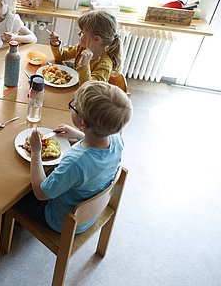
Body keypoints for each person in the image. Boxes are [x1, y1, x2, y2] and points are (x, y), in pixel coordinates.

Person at [14, 80, 132, 233]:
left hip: (61, 220)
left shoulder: (76, 162)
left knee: (13, 197)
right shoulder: (117, 140)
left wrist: (36, 151)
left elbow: (41, 193)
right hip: (92, 212)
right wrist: (81, 135)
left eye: (74, 106)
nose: (73, 105)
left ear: (83, 123)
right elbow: (96, 148)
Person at [48, 10, 122, 85]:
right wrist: (56, 44)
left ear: (96, 39)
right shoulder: (81, 48)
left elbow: (89, 90)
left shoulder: (104, 65)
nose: (78, 33)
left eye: (82, 32)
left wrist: (84, 65)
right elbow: (61, 57)